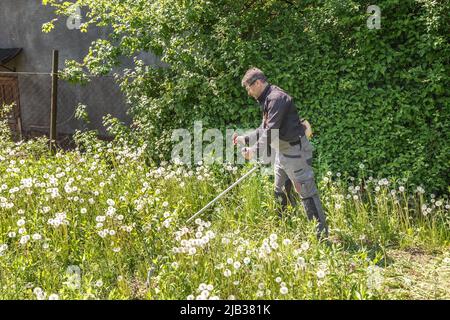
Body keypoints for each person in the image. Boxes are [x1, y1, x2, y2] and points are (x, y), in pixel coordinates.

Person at [233, 67, 328, 238]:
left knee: (306, 191)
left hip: (295, 152)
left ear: (258, 83)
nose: (248, 92)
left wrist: (254, 151)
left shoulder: (276, 98)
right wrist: (244, 139)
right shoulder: (268, 99)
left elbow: (271, 131)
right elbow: (264, 128)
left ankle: (321, 237)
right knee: (280, 189)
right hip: (281, 152)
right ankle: (284, 227)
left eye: (249, 87)